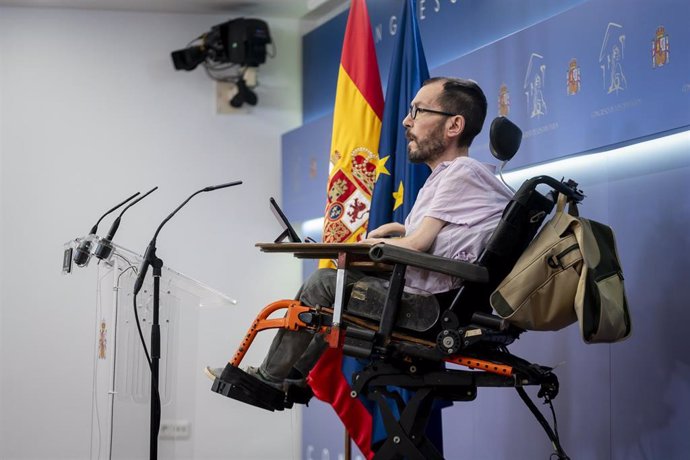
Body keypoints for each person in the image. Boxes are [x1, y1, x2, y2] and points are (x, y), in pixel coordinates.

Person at [209, 77, 513, 398]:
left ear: (454, 125)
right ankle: (295, 380)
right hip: (437, 300)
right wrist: (397, 231)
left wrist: (376, 245)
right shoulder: (460, 174)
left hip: (428, 310)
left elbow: (418, 245)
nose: (407, 120)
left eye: (419, 111)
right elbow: (442, 235)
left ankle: (269, 382)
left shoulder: (461, 172)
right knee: (334, 290)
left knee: (325, 284)